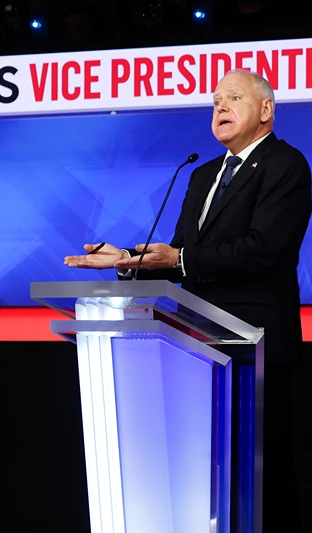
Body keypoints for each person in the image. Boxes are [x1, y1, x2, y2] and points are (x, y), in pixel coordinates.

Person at [65, 68, 311, 530]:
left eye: (233, 97)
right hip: (198, 347)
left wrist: (176, 261)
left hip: (254, 346)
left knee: (264, 482)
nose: (220, 107)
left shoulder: (285, 165)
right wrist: (129, 259)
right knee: (211, 478)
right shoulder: (201, 175)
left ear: (265, 110)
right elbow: (183, 249)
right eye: (215, 100)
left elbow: (264, 249)